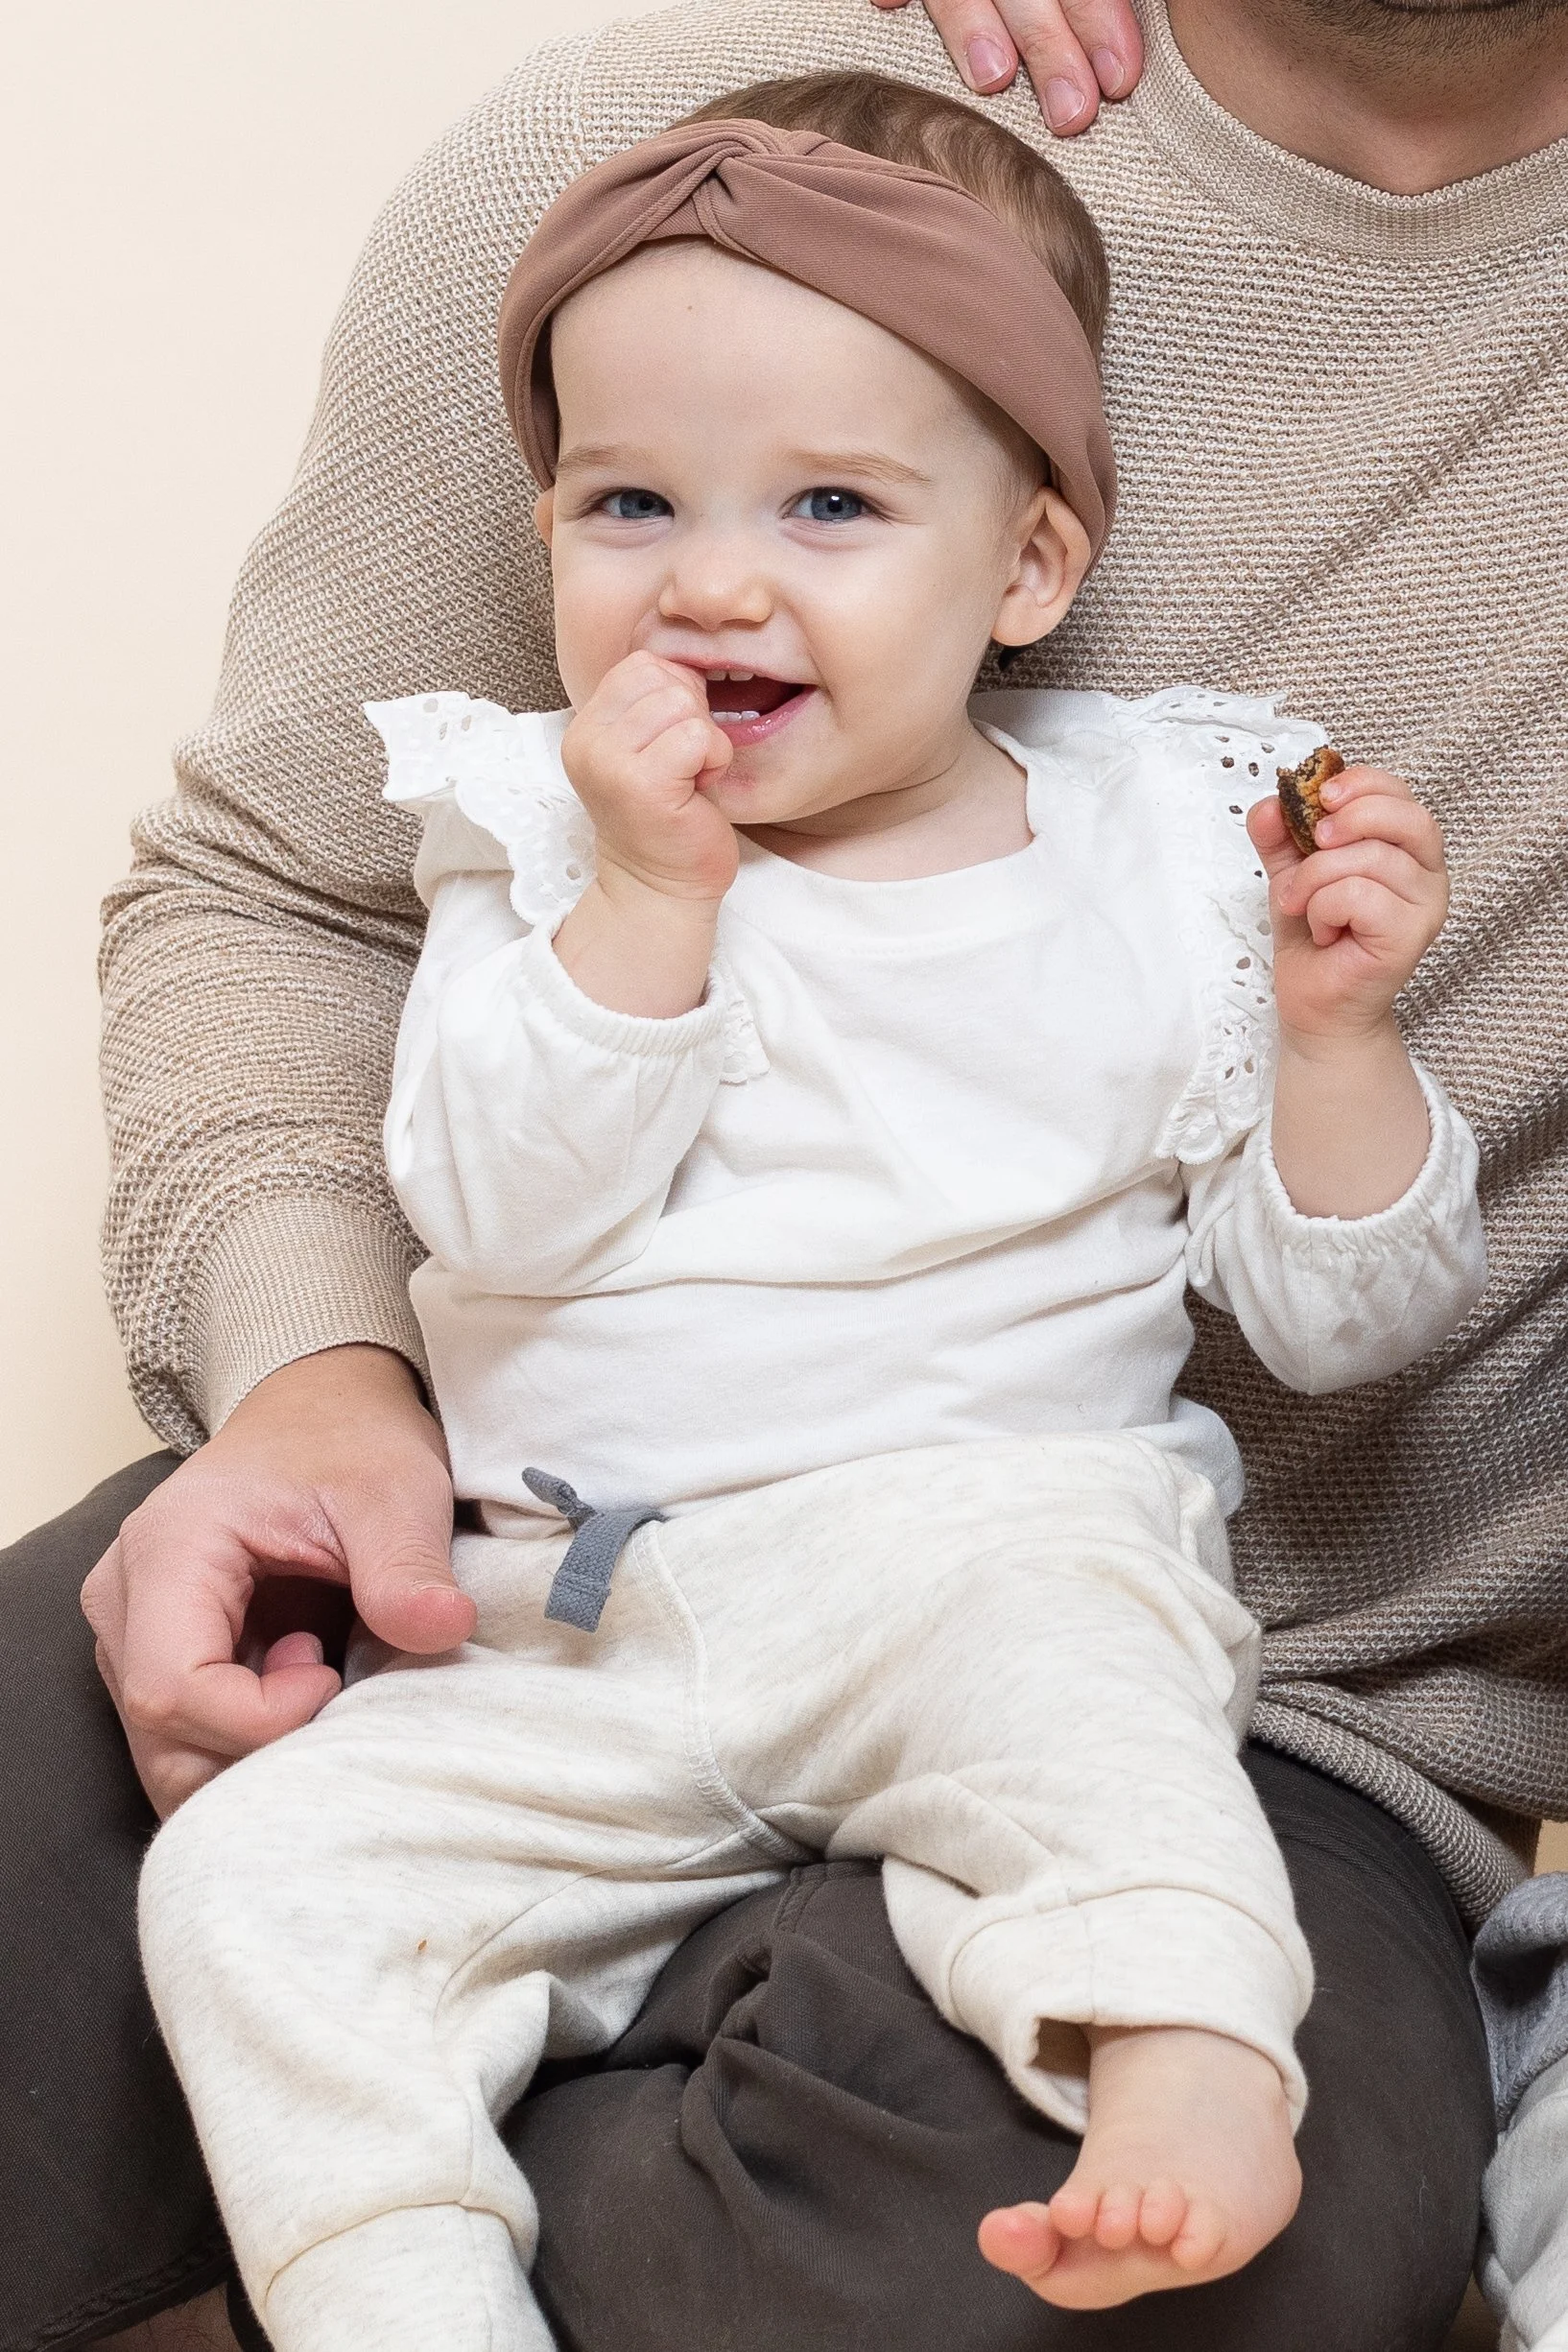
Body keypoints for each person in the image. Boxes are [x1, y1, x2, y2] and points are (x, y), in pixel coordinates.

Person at [1, 0, 1561, 2344]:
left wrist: (1338, 1049)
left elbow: (1348, 1300)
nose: (711, 587)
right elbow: (316, 957)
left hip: (1133, 1614)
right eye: (628, 508)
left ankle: (1181, 2050)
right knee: (244, 1890)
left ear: (1035, 561)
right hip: (522, 1574)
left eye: (828, 508)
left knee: (1093, 2120)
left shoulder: (1152, 838)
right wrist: (309, 1372)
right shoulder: (563, 732)